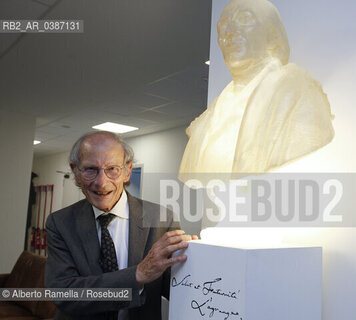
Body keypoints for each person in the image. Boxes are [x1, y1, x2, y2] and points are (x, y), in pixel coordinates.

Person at [45, 131, 197, 320]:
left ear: (127, 171)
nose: (101, 182)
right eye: (91, 169)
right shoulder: (60, 223)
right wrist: (137, 275)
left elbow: (177, 287)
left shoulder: (161, 219)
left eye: (112, 169)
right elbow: (63, 293)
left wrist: (200, 260)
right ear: (75, 172)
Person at [179, 0, 334, 184]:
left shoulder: (298, 94)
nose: (229, 33)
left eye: (244, 20)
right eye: (223, 26)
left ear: (272, 34)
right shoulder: (207, 119)